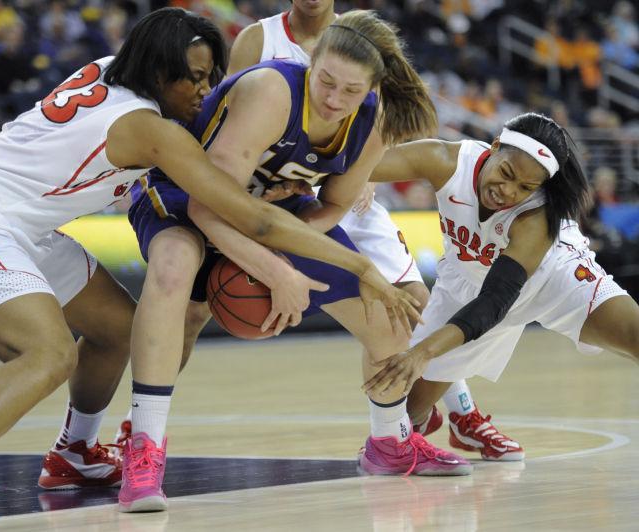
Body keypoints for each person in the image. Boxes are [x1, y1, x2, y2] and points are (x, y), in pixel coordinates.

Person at [0, 8, 407, 532]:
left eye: (210, 77)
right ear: (158, 74)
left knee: (117, 329)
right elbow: (249, 217)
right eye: (195, 79)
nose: (205, 93)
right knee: (48, 352)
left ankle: (76, 450)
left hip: (19, 224)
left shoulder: (113, 68)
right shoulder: (151, 130)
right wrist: (357, 265)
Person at [121, 9, 471, 515]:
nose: (333, 99)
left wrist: (292, 241)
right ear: (312, 62)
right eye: (325, 81)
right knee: (174, 267)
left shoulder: (374, 121)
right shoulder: (271, 91)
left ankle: (389, 443)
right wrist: (275, 269)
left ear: (372, 89)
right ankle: (143, 449)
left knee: (391, 317)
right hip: (187, 195)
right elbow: (207, 203)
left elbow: (332, 204)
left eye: (350, 92)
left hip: (272, 209)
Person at [224, 0, 524, 462]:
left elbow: (385, 126)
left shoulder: (362, 38)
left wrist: (360, 173)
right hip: (277, 194)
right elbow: (231, 120)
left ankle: (455, 416)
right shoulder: (260, 41)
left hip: (340, 195)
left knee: (417, 310)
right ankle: (135, 423)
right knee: (188, 312)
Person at [359, 113, 639, 458]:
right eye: (506, 173)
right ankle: (464, 423)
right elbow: (350, 163)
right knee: (411, 416)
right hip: (466, 282)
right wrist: (361, 178)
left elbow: (495, 302)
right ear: (494, 147)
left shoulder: (536, 217)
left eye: (526, 188)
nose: (508, 192)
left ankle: (462, 415)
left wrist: (424, 352)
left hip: (553, 279)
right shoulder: (446, 160)